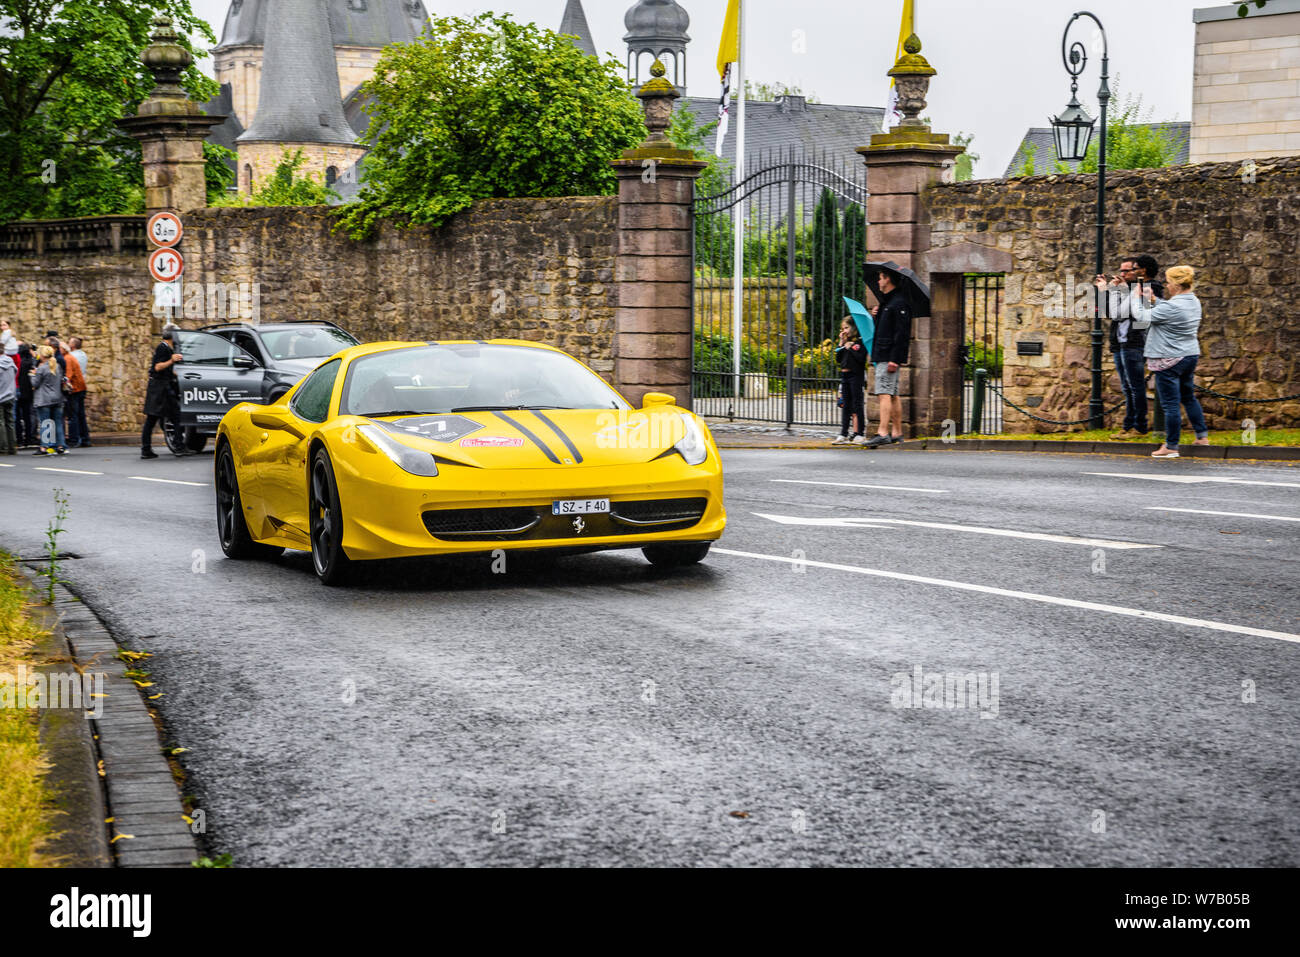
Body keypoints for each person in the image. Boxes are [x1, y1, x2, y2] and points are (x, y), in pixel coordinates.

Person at [1130, 265, 1209, 459]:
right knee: (1188, 396)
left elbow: (1142, 317)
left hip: (1169, 358)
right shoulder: (1193, 301)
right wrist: (1154, 300)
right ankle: (1202, 437)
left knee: (1170, 404)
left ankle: (1171, 446)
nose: (1166, 285)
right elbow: (1167, 309)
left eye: (1168, 282)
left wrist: (1135, 298)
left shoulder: (1173, 306)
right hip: (1189, 355)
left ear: (1175, 284)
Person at [1095, 256, 1151, 438]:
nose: (1122, 274)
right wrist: (1108, 291)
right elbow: (1108, 313)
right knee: (1127, 387)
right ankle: (1128, 425)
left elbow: (1121, 314)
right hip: (1120, 343)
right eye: (1121, 271)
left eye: (1127, 270)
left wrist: (1113, 291)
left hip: (1135, 343)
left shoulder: (1145, 288)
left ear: (1138, 272)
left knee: (1136, 387)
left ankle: (1140, 427)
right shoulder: (1127, 289)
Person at [865, 269, 912, 448]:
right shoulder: (888, 302)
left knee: (884, 394)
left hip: (887, 355)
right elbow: (884, 329)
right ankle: (897, 432)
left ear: (888, 279)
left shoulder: (898, 302)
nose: (878, 281)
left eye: (880, 278)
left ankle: (883, 432)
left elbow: (902, 333)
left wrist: (895, 359)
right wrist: (877, 316)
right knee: (893, 394)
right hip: (884, 354)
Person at [141, 328, 185, 459]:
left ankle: (147, 449)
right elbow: (157, 367)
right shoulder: (163, 348)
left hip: (162, 388)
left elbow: (163, 369)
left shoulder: (166, 348)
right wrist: (171, 360)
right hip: (160, 389)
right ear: (172, 337)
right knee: (158, 418)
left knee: (169, 417)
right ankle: (177, 447)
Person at [832, 317, 869, 445]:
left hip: (856, 376)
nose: (844, 331)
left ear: (853, 328)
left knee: (857, 404)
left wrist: (852, 348)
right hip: (845, 376)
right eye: (842, 329)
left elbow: (861, 359)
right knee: (845, 405)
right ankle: (843, 433)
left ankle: (859, 433)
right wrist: (841, 344)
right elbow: (838, 359)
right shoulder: (845, 343)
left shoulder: (860, 342)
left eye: (846, 328)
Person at [30, 344, 66, 455]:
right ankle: (60, 446)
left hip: (44, 399)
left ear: (42, 355)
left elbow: (35, 383)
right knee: (58, 423)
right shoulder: (57, 366)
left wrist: (32, 375)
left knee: (45, 423)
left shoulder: (41, 368)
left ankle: (44, 447)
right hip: (57, 398)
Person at [68, 336, 91, 447]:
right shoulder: (83, 355)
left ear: (72, 346)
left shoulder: (71, 356)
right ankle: (85, 438)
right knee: (81, 414)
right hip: (83, 385)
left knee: (73, 414)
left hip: (75, 387)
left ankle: (75, 439)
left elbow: (70, 373)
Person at [15, 342, 35, 448]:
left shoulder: (19, 363)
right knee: (28, 416)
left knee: (18, 416)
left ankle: (19, 438)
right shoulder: (31, 362)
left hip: (19, 391)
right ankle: (28, 437)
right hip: (28, 392)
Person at [0, 341, 16, 455]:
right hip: (10, 394)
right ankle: (12, 447)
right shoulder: (11, 362)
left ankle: (3, 447)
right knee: (10, 422)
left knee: (1, 422)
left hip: (0, 396)